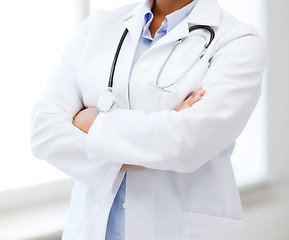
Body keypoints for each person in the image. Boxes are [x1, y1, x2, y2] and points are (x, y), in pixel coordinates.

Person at [30, 0, 265, 239]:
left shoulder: (238, 41)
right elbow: (44, 131)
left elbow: (187, 143)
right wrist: (165, 129)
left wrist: (92, 124)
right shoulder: (97, 27)